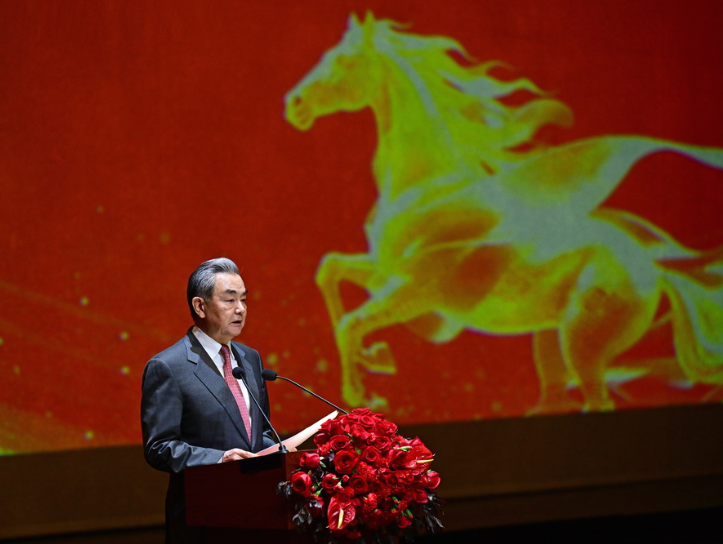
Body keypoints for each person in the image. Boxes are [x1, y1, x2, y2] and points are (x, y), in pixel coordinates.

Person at [141, 257, 276, 543]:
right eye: (229, 300)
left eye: (243, 299)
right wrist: (219, 459)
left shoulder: (250, 358)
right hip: (203, 520)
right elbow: (159, 447)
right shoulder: (168, 366)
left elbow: (259, 432)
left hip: (257, 515)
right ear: (200, 306)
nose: (240, 309)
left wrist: (279, 451)